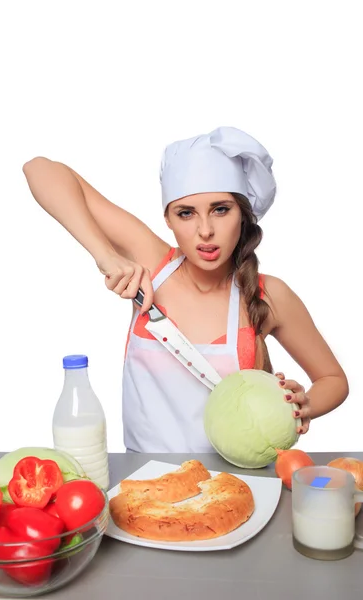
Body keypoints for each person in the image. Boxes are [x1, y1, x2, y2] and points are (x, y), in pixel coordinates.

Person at [22, 126, 349, 453]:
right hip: (146, 488)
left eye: (221, 209)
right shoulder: (152, 265)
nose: (205, 231)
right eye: (186, 213)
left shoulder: (269, 295)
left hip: (239, 488)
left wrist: (302, 405)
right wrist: (105, 255)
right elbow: (40, 169)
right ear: (167, 218)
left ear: (242, 215)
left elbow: (333, 380)